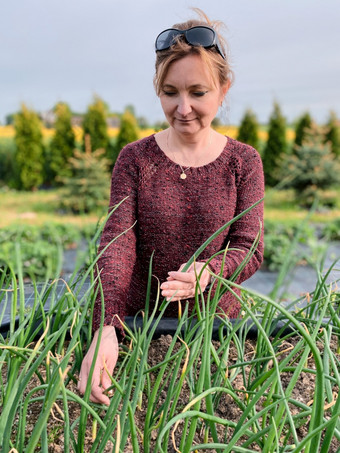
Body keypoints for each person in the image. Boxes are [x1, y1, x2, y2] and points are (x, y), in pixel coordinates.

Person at [78, 9, 264, 405]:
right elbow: (117, 244)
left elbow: (249, 246)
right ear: (157, 88)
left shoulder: (243, 162)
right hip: (136, 327)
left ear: (223, 89)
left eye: (198, 93)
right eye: (170, 92)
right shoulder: (135, 158)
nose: (183, 108)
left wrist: (209, 273)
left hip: (214, 331)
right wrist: (105, 327)